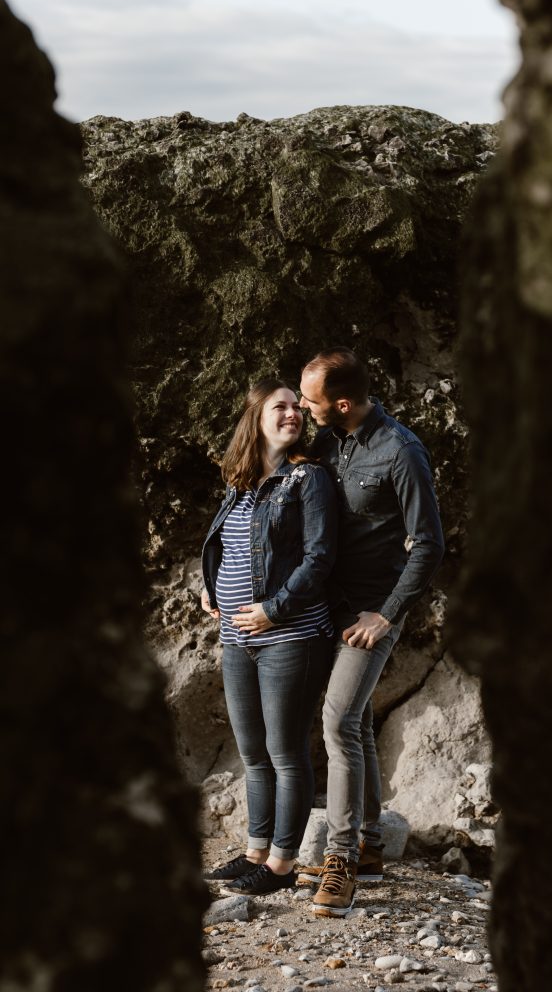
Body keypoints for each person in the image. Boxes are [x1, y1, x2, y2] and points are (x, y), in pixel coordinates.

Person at [297, 348, 445, 917]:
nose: (306, 408)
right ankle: (372, 845)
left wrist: (385, 614)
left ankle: (339, 862)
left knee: (336, 721)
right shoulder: (331, 441)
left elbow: (428, 544)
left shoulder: (401, 451)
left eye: (310, 400)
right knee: (354, 720)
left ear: (340, 402)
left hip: (374, 611)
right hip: (332, 606)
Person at [200, 378, 337, 896]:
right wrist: (210, 589)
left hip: (291, 634)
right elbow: (228, 548)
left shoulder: (309, 480)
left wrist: (275, 611)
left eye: (296, 408)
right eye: (279, 407)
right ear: (255, 418)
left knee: (285, 751)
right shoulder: (240, 482)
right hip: (236, 637)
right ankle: (256, 850)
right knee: (251, 751)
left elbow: (319, 558)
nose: (292, 414)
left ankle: (281, 866)